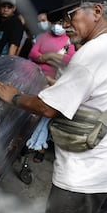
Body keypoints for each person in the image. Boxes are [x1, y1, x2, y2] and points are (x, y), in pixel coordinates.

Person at [0, 0, 107, 213]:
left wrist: (15, 97)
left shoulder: (91, 55)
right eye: (63, 18)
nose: (65, 23)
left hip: (83, 174)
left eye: (71, 15)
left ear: (97, 11)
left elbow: (47, 107)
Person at [26, 20, 76, 162]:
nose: (60, 25)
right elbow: (33, 53)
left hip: (53, 82)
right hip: (35, 76)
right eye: (58, 21)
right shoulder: (44, 36)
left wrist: (47, 55)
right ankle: (27, 141)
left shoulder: (69, 40)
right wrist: (46, 57)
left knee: (44, 115)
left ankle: (40, 148)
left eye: (63, 22)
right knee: (30, 111)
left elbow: (69, 60)